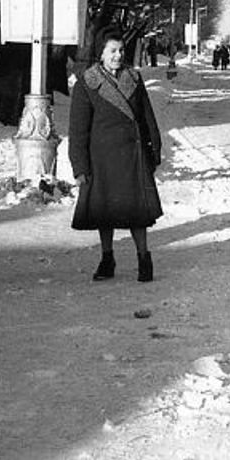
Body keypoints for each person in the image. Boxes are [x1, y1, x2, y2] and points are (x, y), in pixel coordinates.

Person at [69, 28, 163, 282]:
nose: (118, 56)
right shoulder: (87, 84)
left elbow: (146, 118)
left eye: (121, 50)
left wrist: (154, 149)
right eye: (112, 51)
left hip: (132, 156)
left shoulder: (134, 78)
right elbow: (78, 131)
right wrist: (80, 167)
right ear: (101, 53)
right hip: (102, 160)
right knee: (105, 213)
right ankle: (107, 258)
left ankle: (144, 258)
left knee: (138, 213)